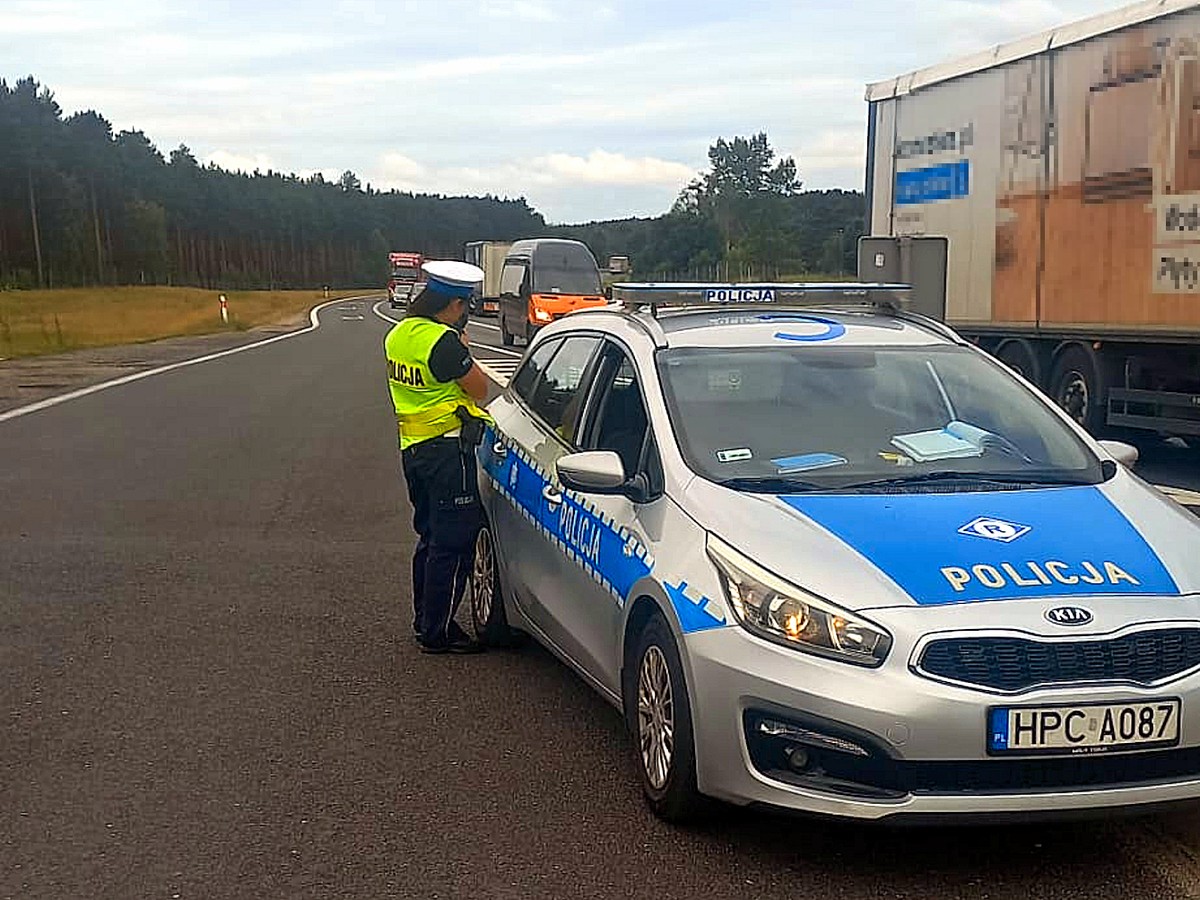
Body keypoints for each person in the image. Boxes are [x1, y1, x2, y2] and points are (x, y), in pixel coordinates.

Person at [384, 260, 492, 654]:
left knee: (430, 538)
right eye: (466, 307)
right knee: (453, 542)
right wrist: (465, 351)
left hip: (413, 450)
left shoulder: (399, 335)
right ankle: (438, 632)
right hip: (448, 453)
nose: (466, 315)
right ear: (453, 306)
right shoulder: (443, 343)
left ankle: (425, 620)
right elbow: (479, 389)